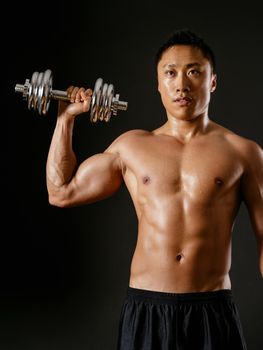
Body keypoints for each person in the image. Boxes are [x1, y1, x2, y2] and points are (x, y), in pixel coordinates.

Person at [45, 29, 263, 350]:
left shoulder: (244, 153)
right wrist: (66, 119)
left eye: (194, 72)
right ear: (158, 83)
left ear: (212, 81)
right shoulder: (131, 147)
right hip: (146, 309)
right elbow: (61, 192)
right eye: (170, 73)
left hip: (212, 309)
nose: (181, 84)